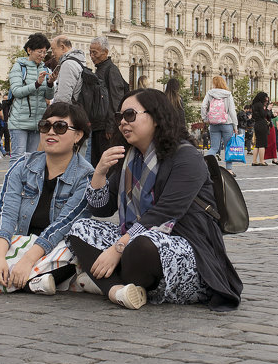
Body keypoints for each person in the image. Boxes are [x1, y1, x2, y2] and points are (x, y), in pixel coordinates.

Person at [69, 89, 242, 311]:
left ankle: (98, 282)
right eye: (119, 116)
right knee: (80, 228)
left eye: (130, 115)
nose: (123, 122)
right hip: (134, 240)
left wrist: (118, 247)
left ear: (156, 117)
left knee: (141, 246)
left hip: (184, 244)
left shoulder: (186, 157)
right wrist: (99, 173)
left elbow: (166, 212)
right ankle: (116, 291)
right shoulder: (129, 157)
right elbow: (101, 208)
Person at [0, 101, 94, 294]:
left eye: (60, 127)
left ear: (78, 135)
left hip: (54, 246)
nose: (50, 132)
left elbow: (63, 226)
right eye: (45, 126)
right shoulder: (23, 166)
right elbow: (4, 213)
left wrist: (27, 260)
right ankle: (35, 282)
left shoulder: (86, 176)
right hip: (23, 242)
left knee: (71, 251)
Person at [8, 33, 54, 163]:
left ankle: (28, 184)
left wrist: (50, 84)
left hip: (38, 122)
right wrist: (36, 84)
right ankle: (13, 183)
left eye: (45, 52)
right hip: (19, 122)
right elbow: (16, 91)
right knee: (18, 157)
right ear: (29, 50)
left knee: (33, 158)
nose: (42, 55)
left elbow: (49, 96)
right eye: (40, 51)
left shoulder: (46, 70)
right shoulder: (19, 67)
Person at [89, 36, 129, 167]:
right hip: (98, 126)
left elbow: (116, 100)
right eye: (90, 52)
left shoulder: (111, 70)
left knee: (106, 164)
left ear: (105, 52)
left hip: (106, 129)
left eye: (95, 52)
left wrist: (111, 126)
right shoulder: (100, 69)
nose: (92, 56)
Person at [200, 76, 238, 176]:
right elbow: (232, 111)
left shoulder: (210, 93)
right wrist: (235, 126)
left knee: (213, 148)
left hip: (213, 124)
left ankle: (205, 167)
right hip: (227, 124)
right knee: (228, 148)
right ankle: (229, 169)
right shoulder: (228, 94)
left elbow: (203, 106)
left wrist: (205, 119)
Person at [50, 35, 86, 105]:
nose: (52, 54)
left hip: (69, 113)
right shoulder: (79, 61)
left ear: (62, 47)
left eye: (53, 49)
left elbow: (63, 99)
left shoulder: (68, 64)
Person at [251, 92, 271, 166]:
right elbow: (263, 115)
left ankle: (254, 161)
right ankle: (262, 161)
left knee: (257, 144)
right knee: (262, 144)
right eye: (265, 97)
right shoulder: (260, 105)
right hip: (262, 124)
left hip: (256, 124)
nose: (266, 99)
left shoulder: (253, 105)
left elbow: (253, 116)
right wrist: (267, 109)